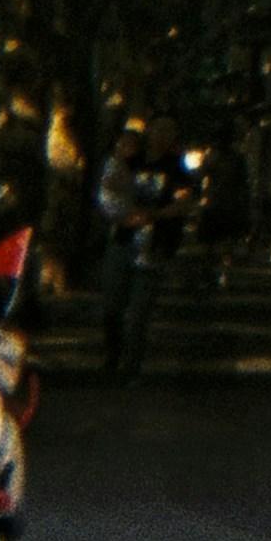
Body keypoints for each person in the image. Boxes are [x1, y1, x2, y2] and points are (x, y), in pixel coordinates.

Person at [94, 119, 172, 379]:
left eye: (167, 131)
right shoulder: (123, 162)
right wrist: (124, 217)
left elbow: (185, 202)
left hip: (154, 246)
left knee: (139, 313)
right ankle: (113, 356)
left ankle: (131, 367)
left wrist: (156, 215)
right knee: (112, 307)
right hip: (121, 241)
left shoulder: (172, 165)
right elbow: (106, 194)